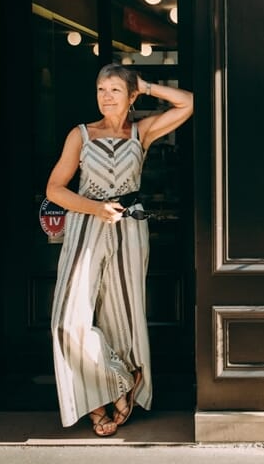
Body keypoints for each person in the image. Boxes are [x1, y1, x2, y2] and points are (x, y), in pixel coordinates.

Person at [46, 63, 193, 437]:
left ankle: (106, 404)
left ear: (130, 98)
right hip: (85, 226)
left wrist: (145, 85)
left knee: (121, 317)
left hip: (130, 228)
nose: (106, 96)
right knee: (67, 320)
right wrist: (95, 208)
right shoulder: (80, 135)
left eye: (115, 90)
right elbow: (55, 190)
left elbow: (189, 104)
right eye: (100, 89)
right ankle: (119, 380)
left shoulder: (140, 133)